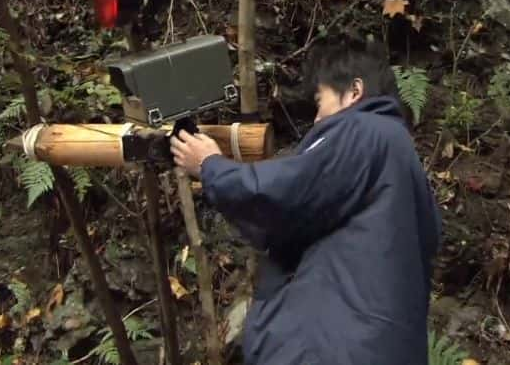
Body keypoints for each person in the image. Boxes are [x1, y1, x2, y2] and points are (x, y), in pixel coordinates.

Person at [170, 39, 442, 365]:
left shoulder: (362, 128)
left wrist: (209, 165)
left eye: (320, 100)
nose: (316, 118)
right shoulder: (401, 159)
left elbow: (281, 194)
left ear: (354, 91)